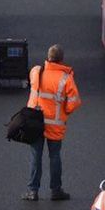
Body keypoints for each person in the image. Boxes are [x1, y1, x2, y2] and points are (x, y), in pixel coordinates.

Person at [23, 44, 81, 201]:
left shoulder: (36, 72)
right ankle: (56, 190)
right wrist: (65, 111)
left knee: (36, 157)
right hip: (55, 124)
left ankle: (32, 191)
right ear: (61, 60)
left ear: (48, 58)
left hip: (36, 123)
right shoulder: (66, 78)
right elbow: (74, 101)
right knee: (54, 157)